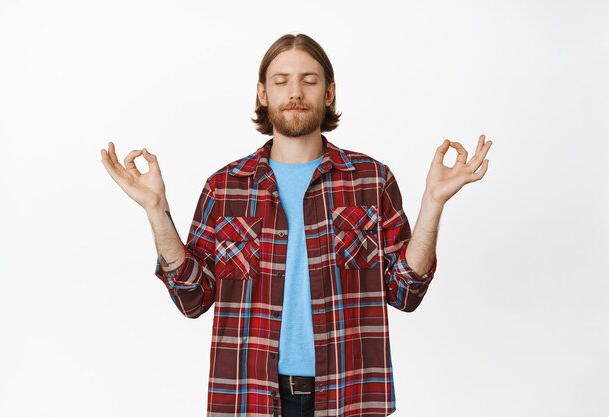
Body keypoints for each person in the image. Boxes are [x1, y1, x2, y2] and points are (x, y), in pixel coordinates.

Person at [101, 33, 492, 417]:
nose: (295, 92)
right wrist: (155, 208)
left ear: (329, 93)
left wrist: (433, 203)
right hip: (248, 397)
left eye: (309, 80)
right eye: (281, 81)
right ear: (262, 93)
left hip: (348, 395)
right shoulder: (226, 187)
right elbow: (193, 298)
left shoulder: (371, 180)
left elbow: (405, 292)